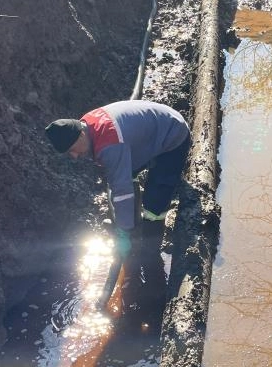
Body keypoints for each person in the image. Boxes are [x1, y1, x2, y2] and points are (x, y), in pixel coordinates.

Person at [45, 100, 191, 257]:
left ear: (81, 135)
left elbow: (122, 192)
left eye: (72, 149)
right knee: (124, 176)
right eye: (69, 153)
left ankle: (151, 247)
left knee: (155, 199)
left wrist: (123, 232)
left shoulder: (109, 144)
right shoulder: (86, 125)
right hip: (151, 132)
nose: (74, 156)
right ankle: (133, 225)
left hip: (173, 134)